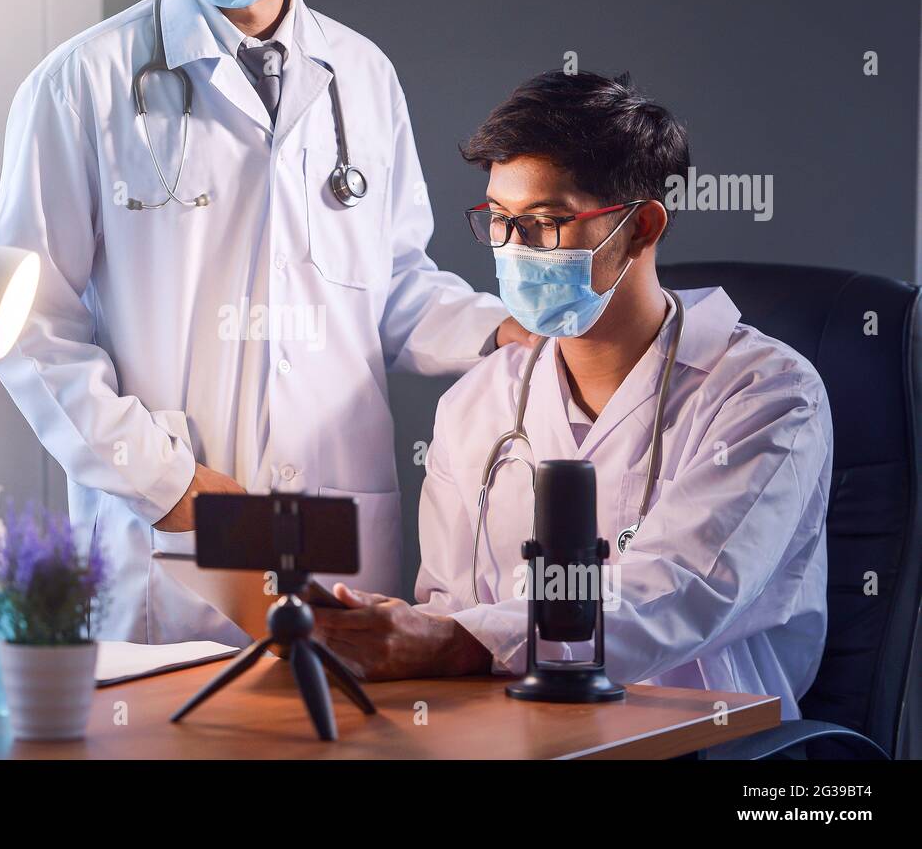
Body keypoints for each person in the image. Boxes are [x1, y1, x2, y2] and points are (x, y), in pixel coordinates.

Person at [0, 0, 526, 644]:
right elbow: (30, 328)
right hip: (170, 545)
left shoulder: (363, 76)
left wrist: (500, 330)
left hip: (336, 535)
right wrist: (161, 480)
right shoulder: (80, 84)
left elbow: (396, 285)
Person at [316, 70, 831, 718]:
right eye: (499, 221)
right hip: (503, 724)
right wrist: (389, 631)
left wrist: (455, 641)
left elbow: (675, 596)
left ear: (642, 227)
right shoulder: (477, 402)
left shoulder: (768, 394)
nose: (513, 249)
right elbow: (449, 606)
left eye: (545, 222)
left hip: (692, 730)